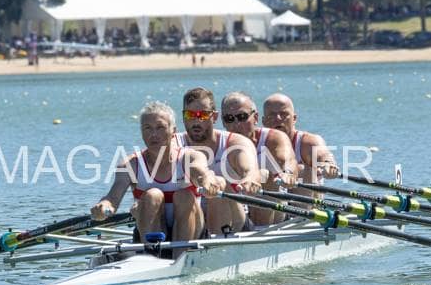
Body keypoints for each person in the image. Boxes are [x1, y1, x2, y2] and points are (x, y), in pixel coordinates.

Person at [91, 101, 223, 254]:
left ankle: (181, 256)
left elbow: (201, 173)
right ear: (141, 132)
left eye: (160, 128)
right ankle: (152, 255)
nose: (153, 135)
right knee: (152, 195)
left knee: (184, 195)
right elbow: (113, 198)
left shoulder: (190, 157)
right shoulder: (130, 164)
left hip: (192, 233)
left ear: (173, 131)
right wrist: (103, 207)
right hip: (150, 230)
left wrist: (207, 183)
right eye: (148, 128)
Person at [175, 87, 262, 235]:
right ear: (183, 117)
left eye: (203, 115)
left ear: (214, 117)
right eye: (190, 115)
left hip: (235, 222)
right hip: (195, 221)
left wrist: (250, 179)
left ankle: (217, 243)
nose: (196, 121)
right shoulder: (173, 143)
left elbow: (251, 170)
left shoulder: (235, 143)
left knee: (219, 183)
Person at [220, 91, 297, 224]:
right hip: (237, 213)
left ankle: (262, 227)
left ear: (255, 118)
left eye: (242, 117)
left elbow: (288, 160)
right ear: (223, 122)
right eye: (229, 118)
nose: (236, 124)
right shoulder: (216, 142)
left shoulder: (274, 138)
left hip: (274, 210)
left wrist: (288, 173)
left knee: (263, 174)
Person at [262, 93, 339, 201]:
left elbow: (323, 154)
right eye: (272, 115)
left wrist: (328, 164)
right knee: (263, 173)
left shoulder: (308, 142)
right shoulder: (255, 142)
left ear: (294, 119)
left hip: (306, 203)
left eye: (283, 114)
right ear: (263, 121)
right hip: (273, 204)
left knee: (300, 169)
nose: (278, 119)